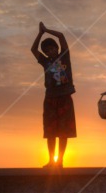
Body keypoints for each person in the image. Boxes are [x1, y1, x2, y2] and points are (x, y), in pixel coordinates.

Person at [31, 22, 77, 168]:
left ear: (57, 49)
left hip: (65, 97)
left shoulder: (64, 56)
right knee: (50, 131)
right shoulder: (45, 61)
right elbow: (33, 49)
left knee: (64, 131)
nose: (51, 51)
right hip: (50, 98)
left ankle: (60, 161)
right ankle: (51, 161)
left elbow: (62, 36)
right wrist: (40, 34)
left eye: (53, 48)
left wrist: (47, 30)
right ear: (45, 52)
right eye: (48, 50)